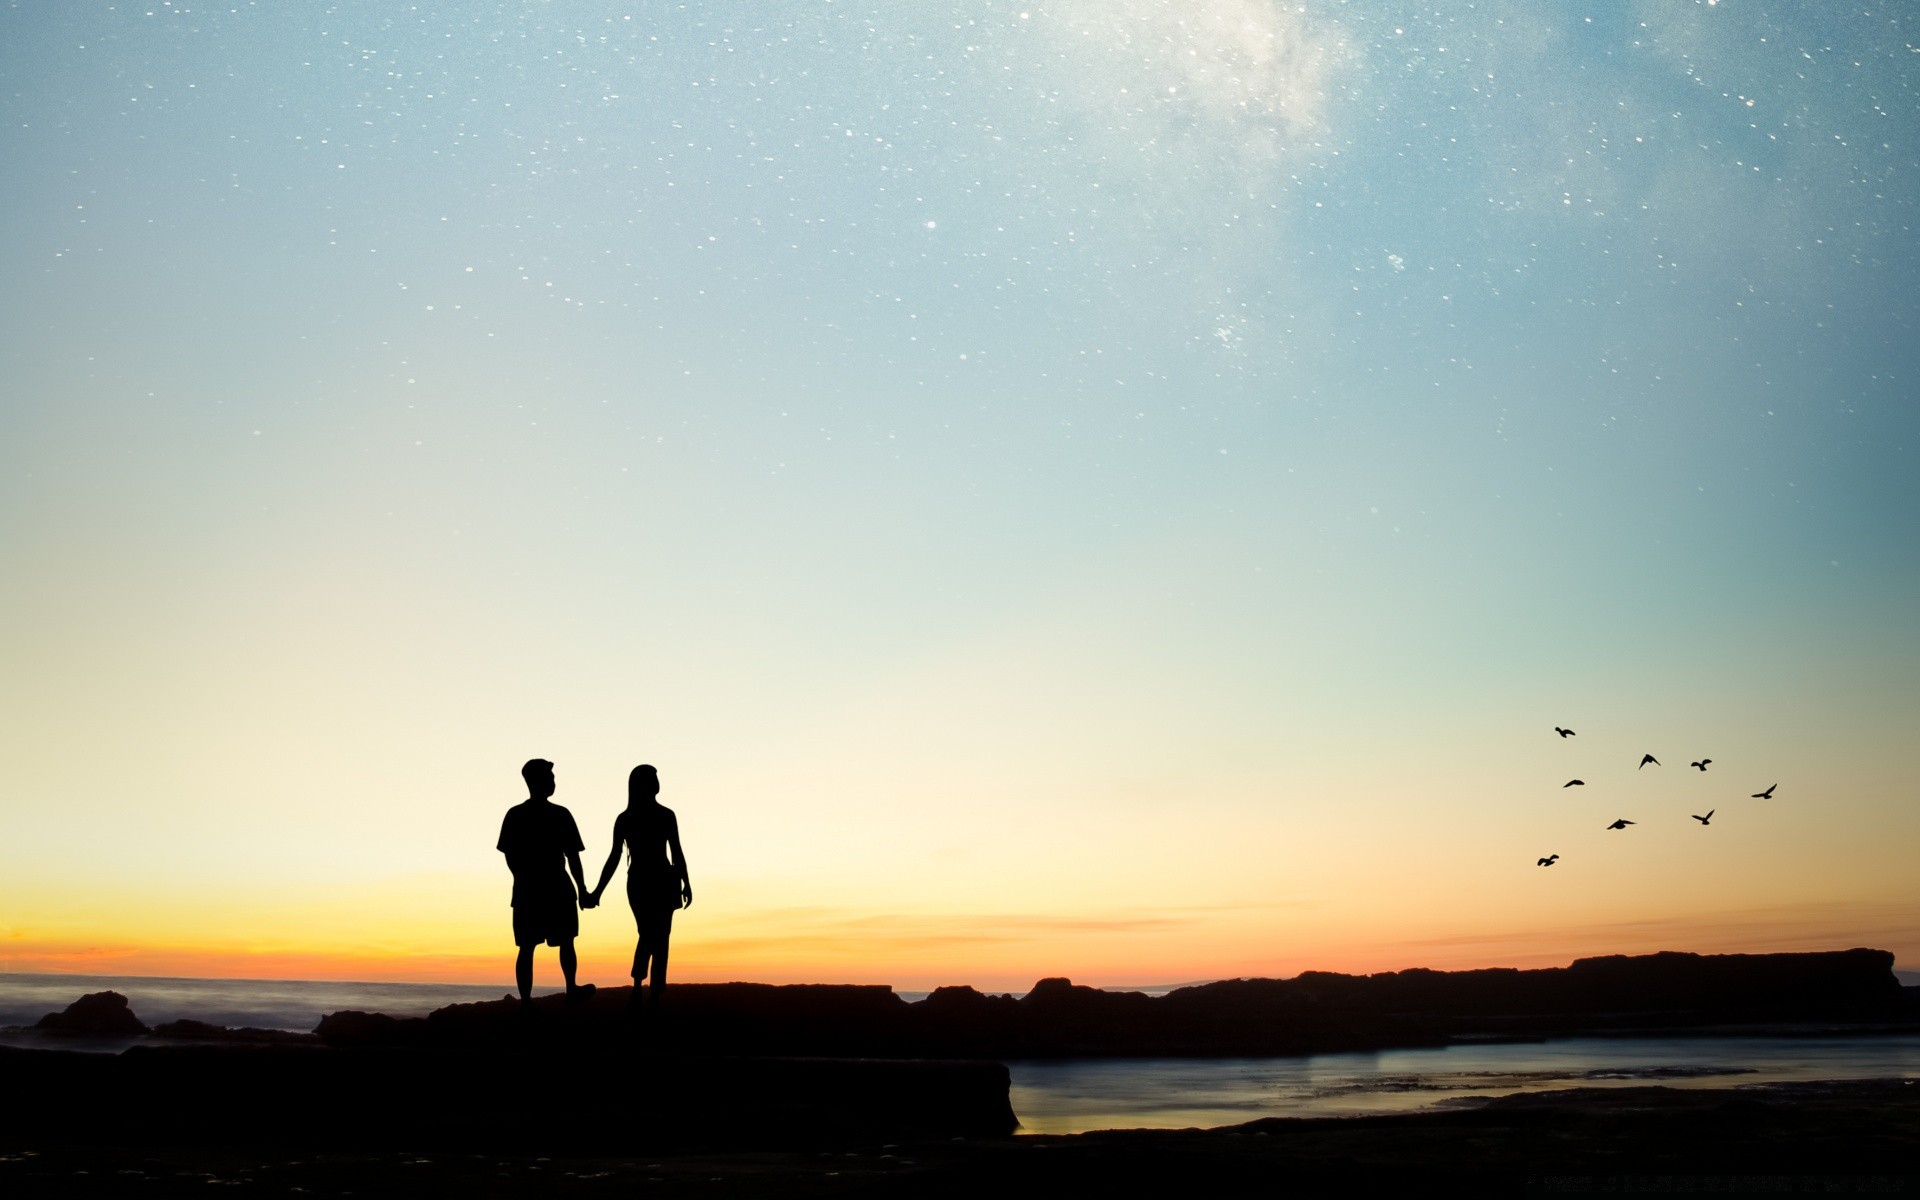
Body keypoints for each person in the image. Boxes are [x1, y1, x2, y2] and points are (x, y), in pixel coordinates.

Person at [587, 764, 691, 1010]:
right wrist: (598, 890)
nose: (657, 781)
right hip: (642, 881)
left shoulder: (666, 815)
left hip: (665, 879)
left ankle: (653, 992)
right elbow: (614, 857)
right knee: (649, 934)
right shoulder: (626, 819)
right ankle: (638, 984)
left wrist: (687, 881)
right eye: (653, 777)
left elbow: (676, 850)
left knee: (661, 937)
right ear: (642, 784)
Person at [497, 758, 596, 1006]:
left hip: (535, 889)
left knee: (540, 944)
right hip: (550, 887)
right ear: (538, 781)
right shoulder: (558, 815)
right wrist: (582, 889)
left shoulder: (517, 815)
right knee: (542, 944)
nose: (553, 782)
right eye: (550, 778)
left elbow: (511, 858)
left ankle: (535, 999)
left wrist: (523, 879)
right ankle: (562, 991)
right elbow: (572, 857)